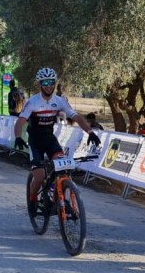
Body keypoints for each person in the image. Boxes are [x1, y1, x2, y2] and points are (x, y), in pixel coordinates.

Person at [14, 67, 102, 218]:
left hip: (50, 140)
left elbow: (76, 117)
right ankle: (33, 200)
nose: (48, 86)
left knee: (63, 168)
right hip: (35, 141)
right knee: (40, 176)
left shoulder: (60, 101)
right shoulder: (33, 102)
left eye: (51, 82)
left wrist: (90, 132)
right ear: (39, 84)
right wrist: (17, 136)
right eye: (45, 82)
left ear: (55, 83)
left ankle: (60, 195)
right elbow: (20, 121)